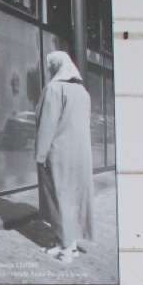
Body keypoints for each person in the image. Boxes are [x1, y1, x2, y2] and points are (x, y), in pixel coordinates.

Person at [34, 50, 94, 263]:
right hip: (80, 154)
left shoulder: (53, 89)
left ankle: (66, 249)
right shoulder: (82, 92)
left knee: (59, 198)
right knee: (73, 199)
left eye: (50, 66)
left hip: (59, 152)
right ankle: (69, 244)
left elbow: (47, 124)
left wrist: (40, 155)